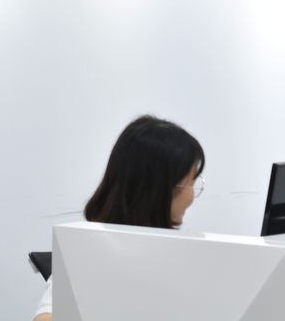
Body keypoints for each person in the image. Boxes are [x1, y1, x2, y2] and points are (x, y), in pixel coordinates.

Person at [32, 115, 205, 321]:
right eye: (191, 182)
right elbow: (46, 316)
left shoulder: (186, 257)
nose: (192, 195)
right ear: (160, 190)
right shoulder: (88, 251)